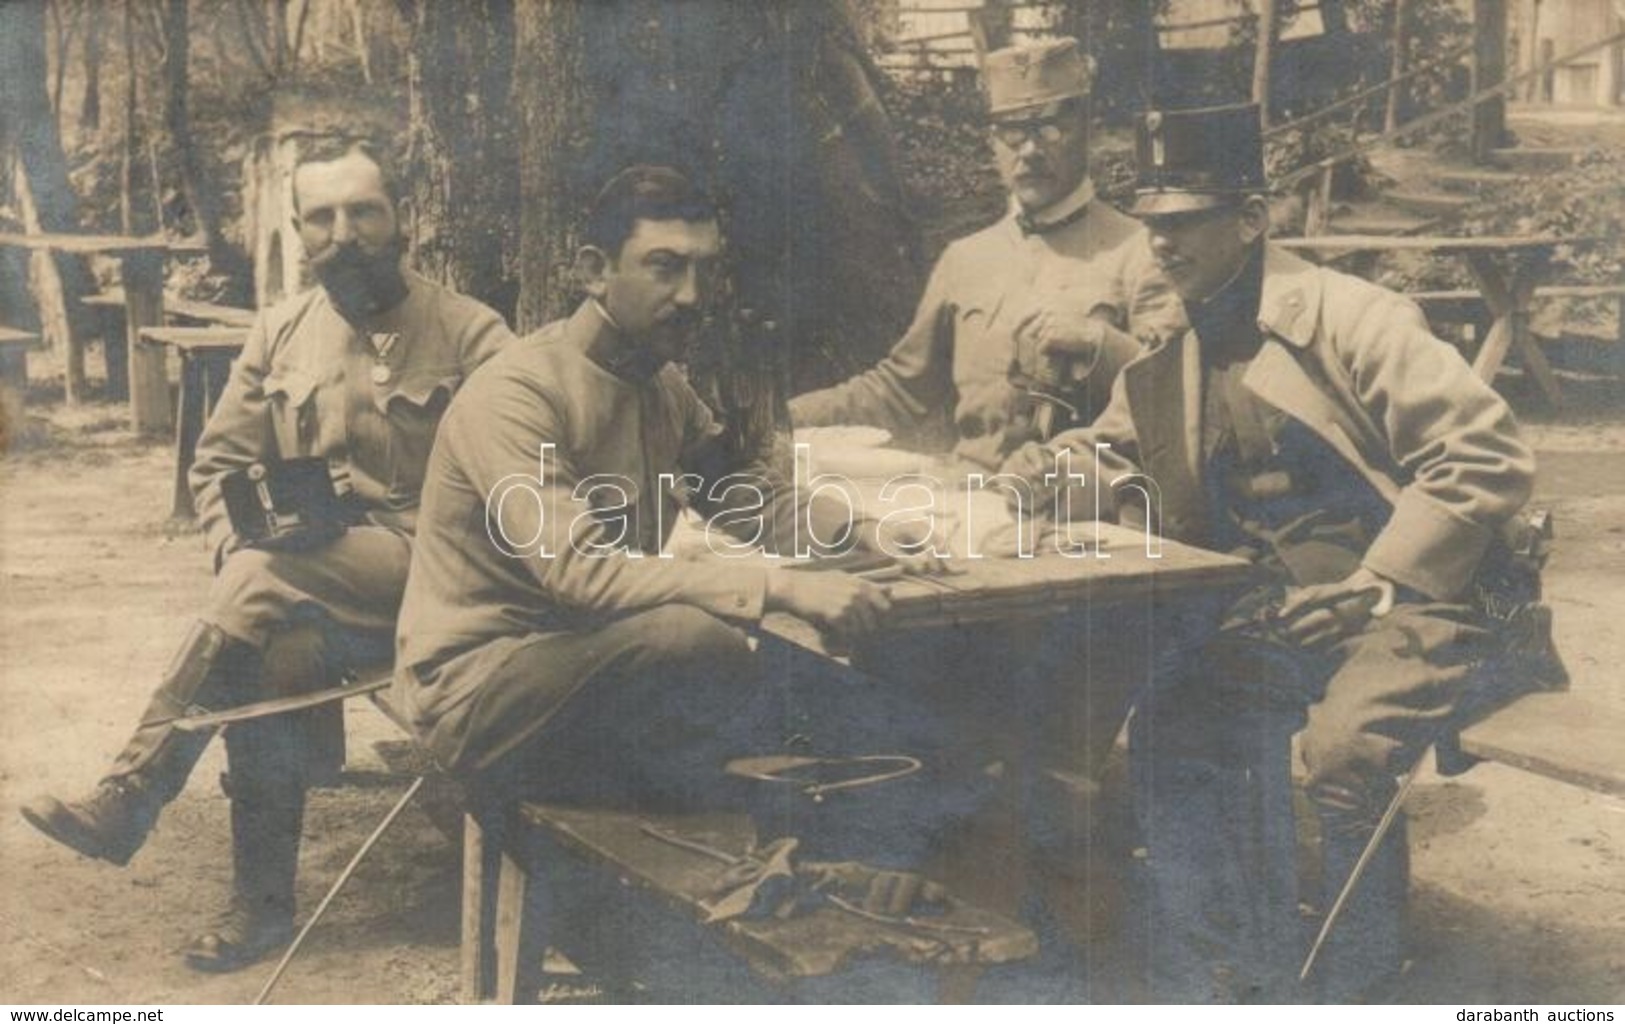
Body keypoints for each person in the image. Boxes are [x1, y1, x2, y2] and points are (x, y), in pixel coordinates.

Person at [1001, 103, 1556, 1001]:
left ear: (1250, 220)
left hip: (1419, 603)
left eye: (1184, 223)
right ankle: (1235, 970)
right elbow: (1112, 455)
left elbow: (1483, 456)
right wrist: (1050, 470)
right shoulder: (1173, 345)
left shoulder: (1354, 317)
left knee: (1343, 757)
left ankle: (1360, 981)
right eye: (1151, 226)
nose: (1161, 247)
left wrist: (1377, 583)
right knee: (1173, 724)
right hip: (1270, 613)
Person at [21, 138, 515, 973]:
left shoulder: (474, 335)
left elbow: (519, 485)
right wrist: (237, 544)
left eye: (364, 211)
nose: (344, 233)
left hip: (439, 579)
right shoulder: (282, 332)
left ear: (404, 220)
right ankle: (260, 906)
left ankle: (133, 793)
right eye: (321, 217)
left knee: (258, 586)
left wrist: (257, 569)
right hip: (314, 586)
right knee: (261, 639)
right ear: (297, 230)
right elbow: (214, 467)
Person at [394, 165, 972, 870]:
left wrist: (864, 537)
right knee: (701, 640)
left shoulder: (659, 384)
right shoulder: (518, 395)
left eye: (705, 271)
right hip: (480, 693)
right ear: (593, 271)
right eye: (664, 268)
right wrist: (782, 589)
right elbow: (581, 574)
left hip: (595, 669)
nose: (692, 296)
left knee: (849, 701)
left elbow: (745, 496)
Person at [789, 37, 1180, 470]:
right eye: (1013, 130)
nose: (1030, 150)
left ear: (1085, 127)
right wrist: (786, 416)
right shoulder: (965, 259)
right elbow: (900, 391)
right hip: (970, 497)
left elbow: (1174, 394)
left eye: (1049, 126)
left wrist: (1098, 342)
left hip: (1077, 509)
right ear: (993, 140)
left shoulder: (1142, 251)